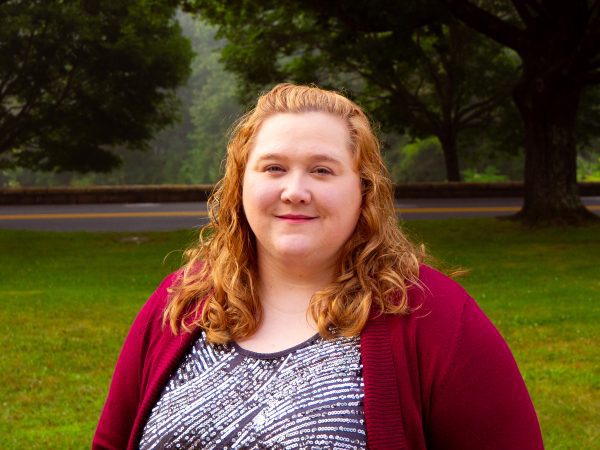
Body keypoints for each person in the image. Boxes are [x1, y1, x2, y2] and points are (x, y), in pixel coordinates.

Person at [93, 83, 544, 450]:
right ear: (240, 184)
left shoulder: (434, 316)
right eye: (273, 168)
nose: (294, 190)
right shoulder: (181, 301)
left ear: (363, 190)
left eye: (322, 170)